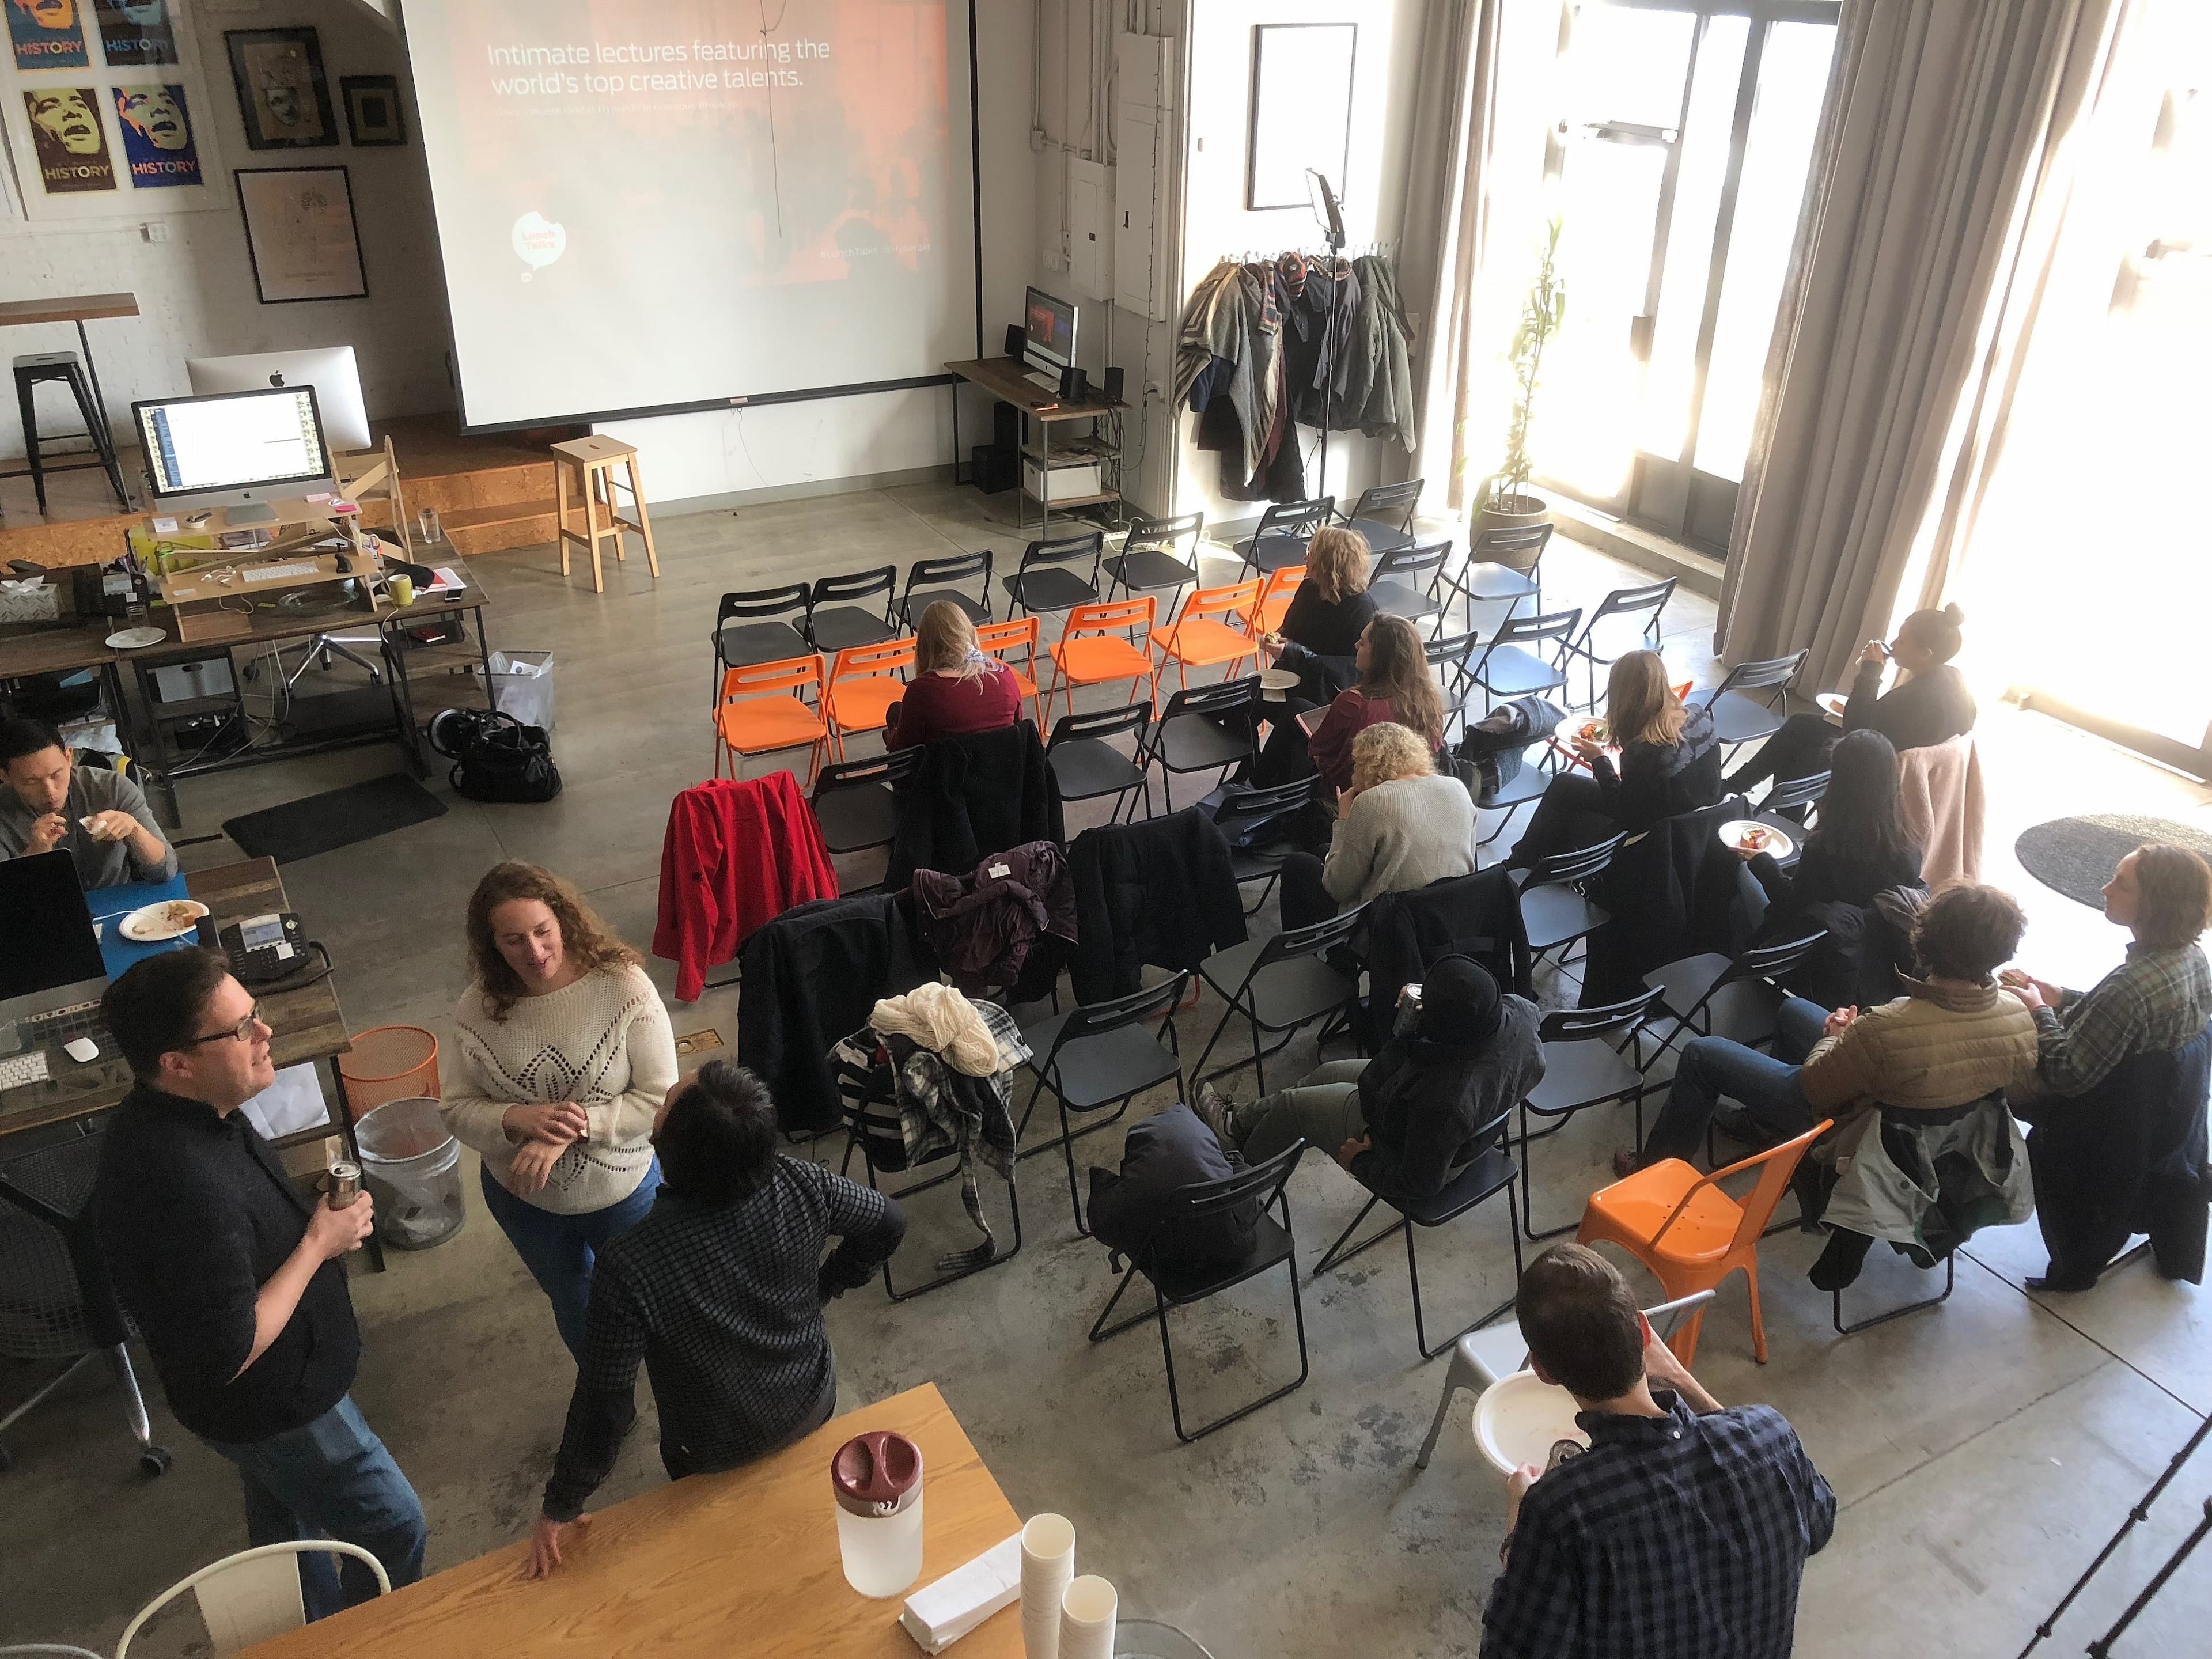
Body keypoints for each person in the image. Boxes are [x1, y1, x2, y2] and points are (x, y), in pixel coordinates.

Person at [89, 950, 425, 1619]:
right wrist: (317, 1243)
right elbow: (228, 1347)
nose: (265, 1035)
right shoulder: (182, 1183)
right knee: (393, 1527)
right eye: (241, 1029)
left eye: (256, 1016)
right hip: (279, 1407)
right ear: (176, 1062)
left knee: (286, 1526)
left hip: (265, 1404)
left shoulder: (194, 1110)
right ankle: (363, 1639)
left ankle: (295, 1631)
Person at [525, 1062, 905, 1578]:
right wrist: (826, 1285)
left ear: (667, 1158)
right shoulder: (802, 1184)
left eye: (663, 1109)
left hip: (711, 1446)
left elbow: (605, 1401)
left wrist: (562, 1502)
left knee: (731, 1567)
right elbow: (888, 1222)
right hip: (812, 1401)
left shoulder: (633, 1263)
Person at [1480, 1243, 1834, 1659]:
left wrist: (1517, 1530)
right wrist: (1684, 1381)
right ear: (1645, 1332)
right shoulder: (1771, 1436)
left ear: (1542, 1371)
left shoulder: (1562, 1512)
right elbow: (1819, 1520)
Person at [442, 862, 678, 1362]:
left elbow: (660, 1098)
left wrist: (571, 1129)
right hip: (526, 1201)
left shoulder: (623, 987)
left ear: (563, 921)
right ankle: (607, 1402)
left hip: (623, 1191)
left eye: (542, 932)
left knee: (656, 1299)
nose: (535, 952)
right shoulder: (477, 1008)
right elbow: (457, 1109)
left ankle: (674, 1386)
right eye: (513, 940)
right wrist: (516, 1119)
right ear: (492, 946)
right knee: (575, 1303)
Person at [1632, 882, 2041, 1171]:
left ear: (1925, 940)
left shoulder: (1888, 1024)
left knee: (1702, 1053)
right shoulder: (2019, 1015)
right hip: (1925, 1128)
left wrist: (1834, 1039)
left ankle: (1653, 1173)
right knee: (1795, 1012)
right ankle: (1764, 1127)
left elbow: (1813, 1088)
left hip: (1855, 1127)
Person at [1195, 955, 1543, 1201]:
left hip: (1409, 1142)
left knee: (1294, 1107)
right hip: (1426, 1096)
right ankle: (1235, 1125)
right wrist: (1429, 1003)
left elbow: (1421, 1183)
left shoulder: (1447, 1102)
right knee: (1324, 1074)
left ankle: (1241, 1180)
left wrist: (1363, 1163)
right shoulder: (1518, 1013)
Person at [2002, 842, 2212, 1100]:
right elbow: (2119, 1019)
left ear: (2154, 904)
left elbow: (2065, 1075)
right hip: (2166, 1116)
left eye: (2121, 885)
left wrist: (2039, 1010)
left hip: (2104, 1124)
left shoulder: (2129, 988)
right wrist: (2061, 996)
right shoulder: (2193, 956)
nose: (2106, 889)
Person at [1726, 603, 1977, 795]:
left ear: (1925, 654)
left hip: (1879, 775)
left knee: (1798, 753)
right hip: (1912, 769)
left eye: (1902, 641)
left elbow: (1858, 732)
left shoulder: (1918, 698)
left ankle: (1737, 788)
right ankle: (1743, 789)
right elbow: (1886, 723)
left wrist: (1871, 671)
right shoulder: (1956, 683)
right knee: (1801, 727)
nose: (1893, 644)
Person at [1509, 651, 1720, 870]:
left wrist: (1599, 761)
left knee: (1572, 815)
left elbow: (1625, 814)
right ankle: (1529, 861)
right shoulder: (1699, 716)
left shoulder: (1643, 755)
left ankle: (1522, 865)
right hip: (1696, 825)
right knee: (1566, 785)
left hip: (1653, 840)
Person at [1278, 721, 1476, 931]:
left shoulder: (1372, 802)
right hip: (1450, 916)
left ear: (1366, 764)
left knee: (1297, 865)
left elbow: (1337, 888)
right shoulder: (1458, 788)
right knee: (1323, 852)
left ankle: (1311, 953)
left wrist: (1343, 819)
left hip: (1390, 928)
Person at [1279, 612, 1448, 796]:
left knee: (1296, 734)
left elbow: (1318, 749)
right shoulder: (1430, 699)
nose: (1356, 646)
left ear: (1380, 657)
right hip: (1407, 790)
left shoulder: (1353, 702)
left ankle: (1263, 786)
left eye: (1363, 642)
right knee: (1298, 707)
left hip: (1348, 792)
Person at [0, 715, 175, 888]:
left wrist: (135, 831)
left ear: (69, 757)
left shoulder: (113, 788)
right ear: (5, 777)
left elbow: (167, 870)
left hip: (115, 899)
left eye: (56, 774)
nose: (50, 792)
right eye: (31, 782)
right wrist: (34, 855)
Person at [1087, 1101, 1259, 1273]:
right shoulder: (1198, 1136)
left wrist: (1104, 1181)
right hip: (1233, 1247)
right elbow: (1246, 1182)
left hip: (1173, 1265)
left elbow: (1105, 1226)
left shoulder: (1142, 1186)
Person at [884, 600, 1024, 750]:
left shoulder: (922, 691)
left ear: (925, 647)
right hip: (1003, 769)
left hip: (947, 773)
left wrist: (890, 737)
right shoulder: (1004, 677)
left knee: (896, 714)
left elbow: (903, 751)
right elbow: (1019, 732)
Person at [1262, 524, 1377, 703]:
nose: (1306, 558)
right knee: (1237, 700)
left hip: (1325, 691)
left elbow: (1351, 670)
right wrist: (1277, 639)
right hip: (1291, 675)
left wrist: (1296, 653)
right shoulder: (1309, 588)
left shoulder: (1361, 609)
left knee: (1286, 707)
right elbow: (1290, 630)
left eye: (1312, 554)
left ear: (1327, 564)